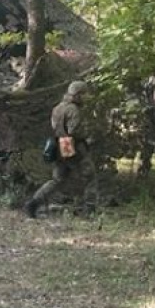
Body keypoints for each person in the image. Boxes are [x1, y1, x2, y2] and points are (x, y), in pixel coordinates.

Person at [24, 80, 95, 218]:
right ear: (78, 95)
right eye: (84, 94)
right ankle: (89, 209)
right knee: (89, 176)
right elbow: (73, 131)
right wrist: (87, 137)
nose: (86, 97)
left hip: (59, 145)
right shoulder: (74, 110)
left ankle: (34, 203)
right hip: (73, 146)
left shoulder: (58, 107)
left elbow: (54, 127)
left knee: (57, 179)